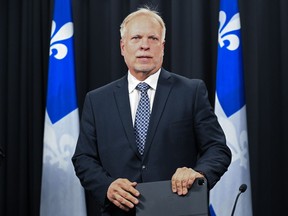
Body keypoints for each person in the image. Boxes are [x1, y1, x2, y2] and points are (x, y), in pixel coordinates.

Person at [72, 6, 231, 216]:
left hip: (178, 209)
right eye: (136, 38)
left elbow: (217, 149)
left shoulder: (191, 92)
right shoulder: (97, 100)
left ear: (163, 47)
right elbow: (83, 157)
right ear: (122, 46)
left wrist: (198, 173)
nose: (144, 46)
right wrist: (107, 186)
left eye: (153, 39)